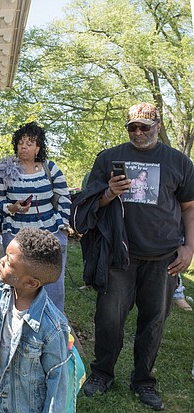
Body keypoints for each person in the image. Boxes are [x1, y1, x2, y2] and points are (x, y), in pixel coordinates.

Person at [74, 102, 194, 411]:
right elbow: (87, 205)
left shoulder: (179, 162)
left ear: (157, 126)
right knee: (109, 318)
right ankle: (102, 373)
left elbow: (189, 207)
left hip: (164, 256)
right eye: (133, 128)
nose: (138, 132)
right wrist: (108, 193)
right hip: (119, 255)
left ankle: (143, 380)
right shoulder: (108, 158)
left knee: (153, 322)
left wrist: (189, 247)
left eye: (145, 127)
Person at [0, 227, 70, 413]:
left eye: (9, 261)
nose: (1, 261)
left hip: (26, 405)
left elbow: (57, 383)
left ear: (30, 283)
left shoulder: (52, 327)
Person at [0, 122, 70, 312]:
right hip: (17, 236)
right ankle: (18, 323)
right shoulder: (5, 170)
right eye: (21, 143)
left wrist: (63, 225)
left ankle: (54, 327)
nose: (24, 147)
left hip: (49, 233)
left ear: (38, 147)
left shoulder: (49, 168)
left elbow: (64, 197)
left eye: (30, 143)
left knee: (53, 285)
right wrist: (13, 207)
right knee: (19, 284)